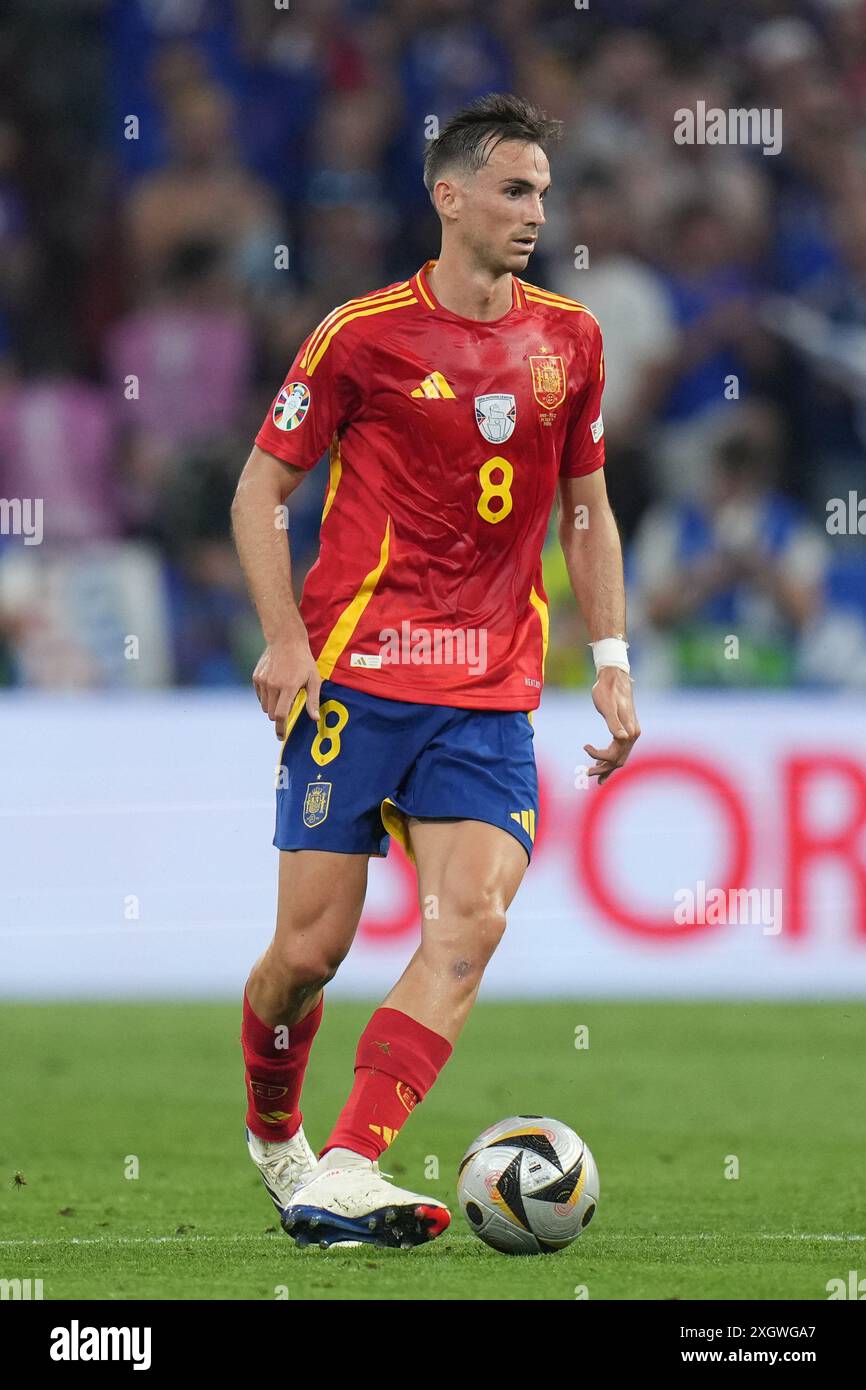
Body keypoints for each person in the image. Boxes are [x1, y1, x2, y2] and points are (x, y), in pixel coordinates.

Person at [230, 93, 640, 1251]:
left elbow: (586, 510)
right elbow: (258, 493)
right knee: (307, 955)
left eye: (544, 193)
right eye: (514, 190)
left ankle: (348, 1164)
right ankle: (277, 1132)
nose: (534, 213)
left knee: (472, 919)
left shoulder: (571, 338)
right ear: (446, 196)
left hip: (489, 691)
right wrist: (282, 639)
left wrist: (608, 660)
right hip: (354, 682)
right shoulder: (359, 334)